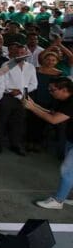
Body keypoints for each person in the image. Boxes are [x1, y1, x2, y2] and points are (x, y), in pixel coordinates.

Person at [25, 78, 73, 209]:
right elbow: (52, 113)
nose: (50, 92)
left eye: (53, 90)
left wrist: (32, 109)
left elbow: (54, 119)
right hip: (71, 138)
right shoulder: (63, 100)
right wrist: (33, 105)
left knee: (67, 170)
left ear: (64, 90)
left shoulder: (71, 102)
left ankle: (58, 201)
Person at [0, 44, 36, 155]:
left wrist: (21, 91)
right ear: (14, 54)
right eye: (18, 53)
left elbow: (34, 84)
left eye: (22, 53)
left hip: (23, 97)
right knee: (2, 120)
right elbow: (2, 80)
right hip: (8, 96)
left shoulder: (30, 67)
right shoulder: (7, 64)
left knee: (18, 122)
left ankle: (15, 144)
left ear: (26, 54)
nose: (20, 55)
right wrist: (9, 90)